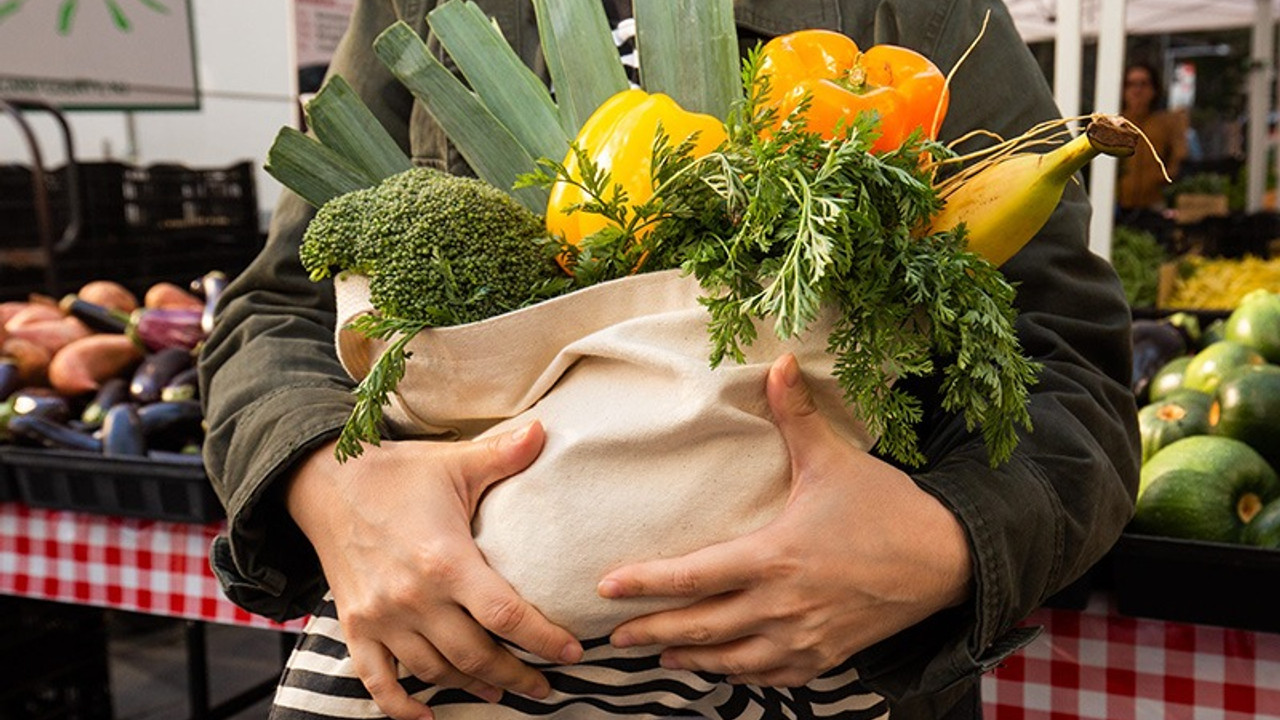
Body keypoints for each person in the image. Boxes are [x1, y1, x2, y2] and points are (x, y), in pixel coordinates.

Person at [198, 1, 1140, 718]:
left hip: (829, 683)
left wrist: (945, 541)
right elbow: (277, 308)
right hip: (461, 673)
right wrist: (334, 484)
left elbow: (1068, 356)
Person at [1116, 62, 1188, 222]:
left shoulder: (1165, 123)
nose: (1137, 90)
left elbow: (1179, 156)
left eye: (1143, 84)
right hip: (1117, 206)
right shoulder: (1116, 123)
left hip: (1154, 205)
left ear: (1154, 90)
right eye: (1131, 84)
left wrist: (1165, 178)